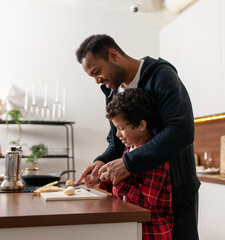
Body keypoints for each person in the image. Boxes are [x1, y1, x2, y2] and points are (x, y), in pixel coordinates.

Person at [75, 34, 200, 240]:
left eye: (97, 72)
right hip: (138, 201)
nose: (97, 81)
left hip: (175, 191)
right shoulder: (112, 91)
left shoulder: (161, 75)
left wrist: (128, 163)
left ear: (113, 55)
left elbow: (181, 130)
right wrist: (101, 162)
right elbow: (116, 144)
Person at [100, 88, 173, 239]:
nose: (117, 134)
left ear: (141, 125)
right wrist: (102, 179)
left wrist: (118, 179)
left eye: (121, 128)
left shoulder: (155, 157)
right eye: (116, 128)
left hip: (152, 233)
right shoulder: (129, 149)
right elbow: (123, 192)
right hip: (133, 230)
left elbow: (145, 204)